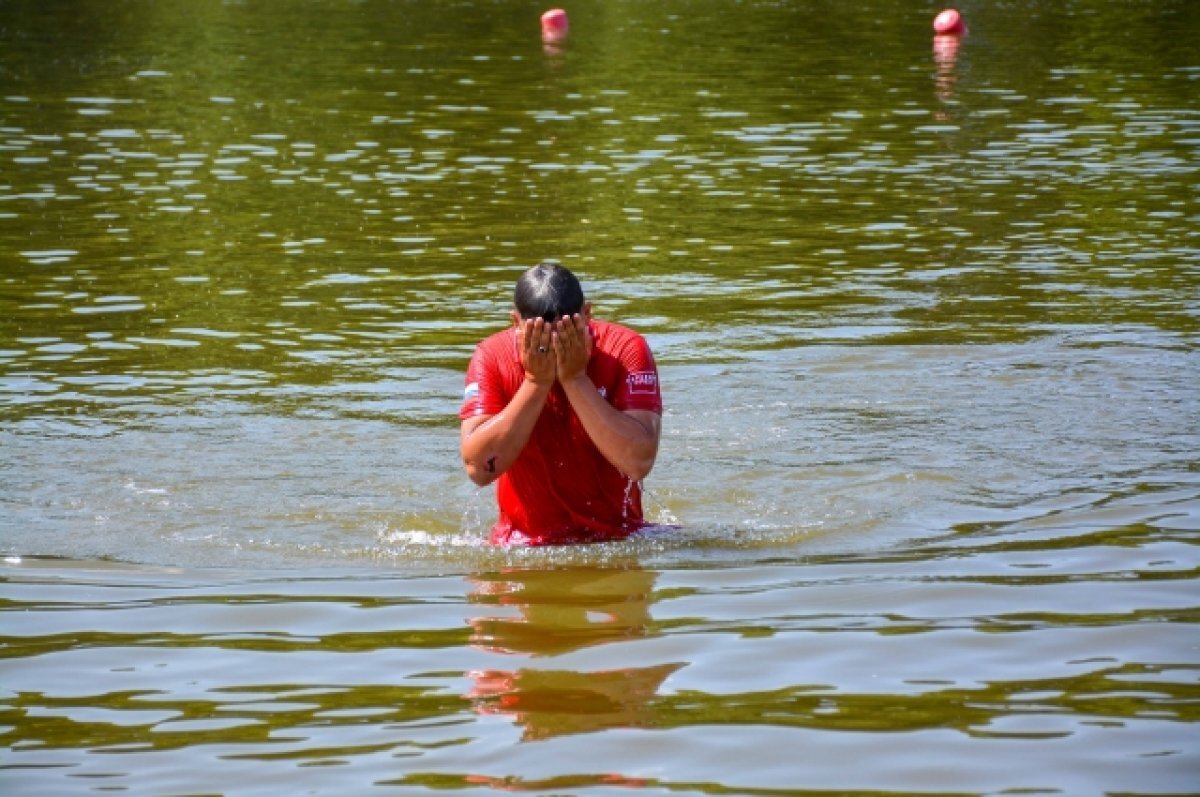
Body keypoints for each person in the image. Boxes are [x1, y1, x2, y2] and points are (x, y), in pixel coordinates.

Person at [459, 260, 663, 545]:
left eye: (567, 334)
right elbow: (478, 470)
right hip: (522, 543)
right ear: (516, 323)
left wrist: (576, 379)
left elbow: (639, 462)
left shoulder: (626, 348)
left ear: (587, 315)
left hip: (618, 539)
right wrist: (535, 382)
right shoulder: (492, 356)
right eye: (540, 336)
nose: (555, 347)